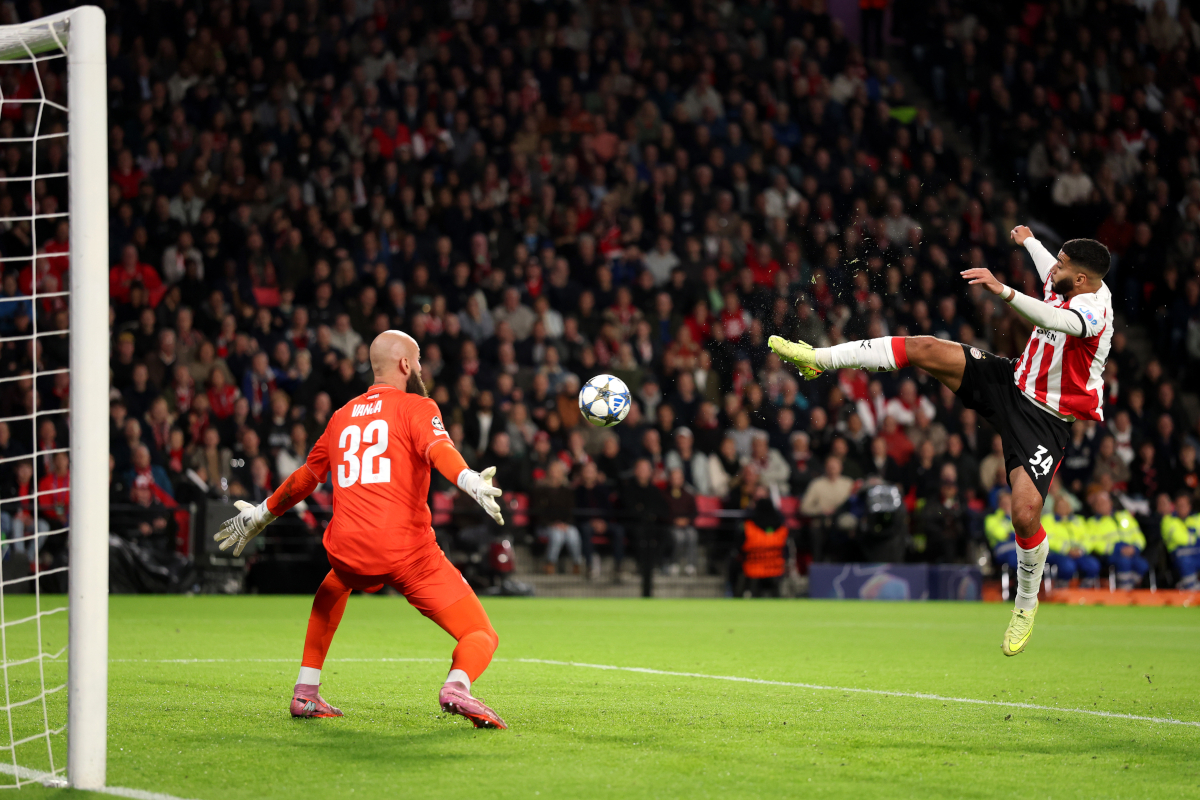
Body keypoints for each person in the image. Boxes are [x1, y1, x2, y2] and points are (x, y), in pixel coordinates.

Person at [771, 227, 1113, 656]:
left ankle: (1025, 604)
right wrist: (1028, 241)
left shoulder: (1094, 311)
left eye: (1063, 265)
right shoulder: (1066, 275)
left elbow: (1053, 319)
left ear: (1080, 279)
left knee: (1025, 514)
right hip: (1010, 381)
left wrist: (1003, 290)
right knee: (926, 347)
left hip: (1046, 420)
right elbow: (1049, 263)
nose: (1054, 268)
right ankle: (819, 359)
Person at [215, 331, 509, 728]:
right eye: (418, 359)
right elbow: (439, 451)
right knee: (480, 632)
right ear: (406, 365)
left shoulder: (341, 416)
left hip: (347, 550)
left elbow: (307, 476)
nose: (421, 367)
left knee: (333, 587)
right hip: (407, 553)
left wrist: (260, 515)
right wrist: (469, 480)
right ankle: (457, 685)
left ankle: (306, 692)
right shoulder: (418, 406)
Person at [1085, 491, 1148, 591]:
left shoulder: (1125, 516)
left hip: (1131, 551)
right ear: (1095, 507)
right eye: (1099, 504)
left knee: (1142, 565)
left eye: (1104, 502)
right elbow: (1095, 543)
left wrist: (1134, 548)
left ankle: (1130, 587)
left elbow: (1138, 535)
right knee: (1124, 562)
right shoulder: (1092, 523)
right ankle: (1124, 590)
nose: (1102, 506)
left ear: (1111, 503)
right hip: (1111, 554)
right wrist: (1118, 549)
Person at [1042, 495, 1101, 587]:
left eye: (1065, 505)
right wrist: (1067, 549)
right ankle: (1062, 588)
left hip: (1078, 553)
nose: (1063, 508)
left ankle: (1084, 589)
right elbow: (1047, 539)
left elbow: (1088, 538)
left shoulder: (1078, 520)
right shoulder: (1048, 520)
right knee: (1068, 566)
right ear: (1054, 507)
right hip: (1057, 553)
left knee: (1093, 565)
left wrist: (1081, 550)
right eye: (1060, 506)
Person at [1161, 493, 1199, 591]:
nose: (1182, 508)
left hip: (1196, 554)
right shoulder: (1168, 520)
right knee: (1186, 562)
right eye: (1179, 505)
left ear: (1189, 506)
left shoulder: (1197, 518)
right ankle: (1191, 591)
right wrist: (1193, 536)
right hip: (1177, 557)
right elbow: (1180, 539)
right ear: (1175, 506)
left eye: (1184, 505)